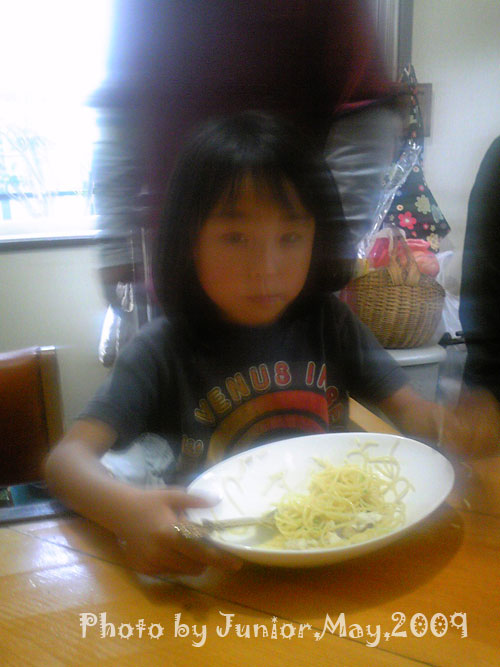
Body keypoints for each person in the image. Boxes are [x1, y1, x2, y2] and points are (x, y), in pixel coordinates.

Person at [45, 112, 489, 578]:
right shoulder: (161, 349)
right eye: (235, 237)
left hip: (336, 552)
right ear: (189, 243)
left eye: (290, 237)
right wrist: (127, 512)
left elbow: (412, 412)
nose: (267, 267)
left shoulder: (330, 323)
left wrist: (450, 426)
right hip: (213, 571)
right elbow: (64, 463)